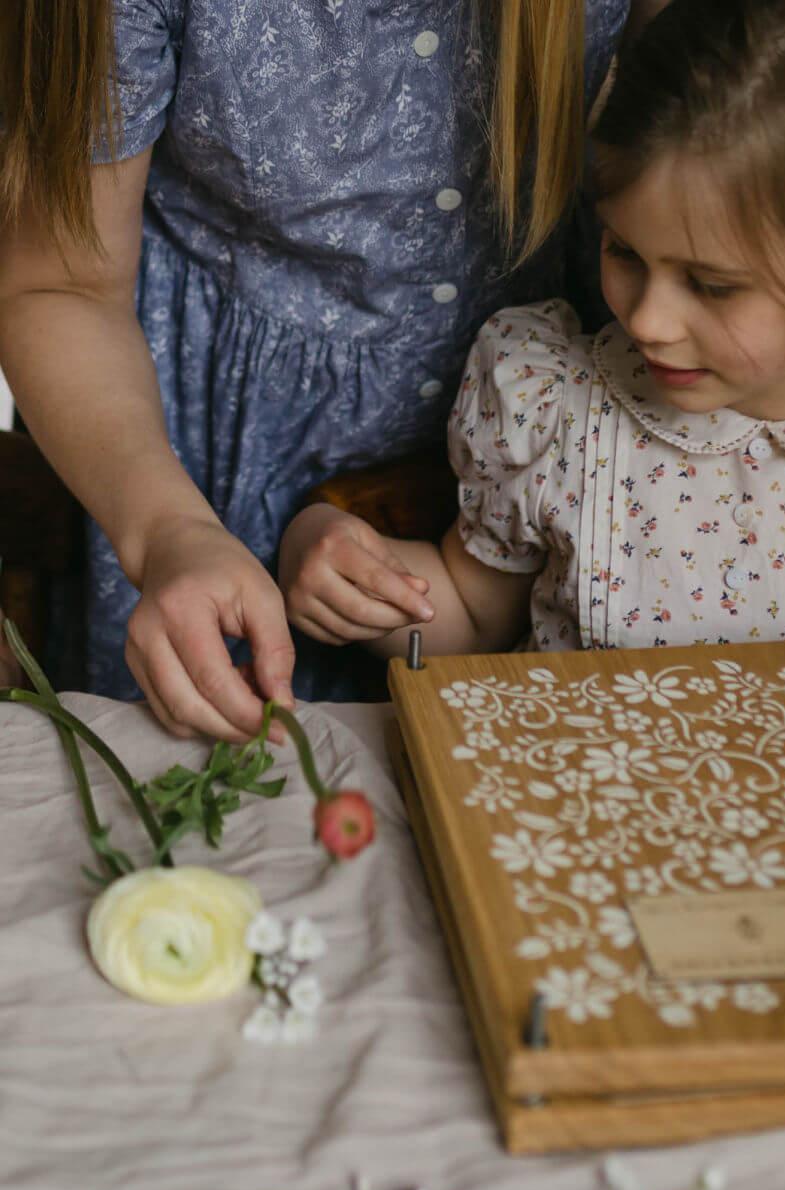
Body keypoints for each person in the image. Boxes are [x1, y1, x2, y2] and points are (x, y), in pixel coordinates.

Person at [278, 0, 785, 737]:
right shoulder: (559, 407)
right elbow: (469, 620)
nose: (648, 320)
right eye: (625, 250)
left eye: (711, 283)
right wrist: (347, 572)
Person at [0, 0, 652, 738]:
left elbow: (749, 113)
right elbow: (60, 283)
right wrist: (168, 531)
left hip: (555, 450)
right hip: (200, 455)